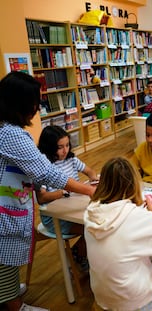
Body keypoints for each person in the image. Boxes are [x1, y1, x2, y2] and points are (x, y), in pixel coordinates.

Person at [0, 71, 95, 311]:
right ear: (21, 103)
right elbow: (47, 173)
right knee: (4, 256)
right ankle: (15, 305)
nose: (38, 107)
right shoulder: (12, 134)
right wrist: (89, 191)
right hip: (6, 211)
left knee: (6, 260)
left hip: (11, 203)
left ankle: (9, 291)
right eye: (35, 101)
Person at [84, 157, 152, 311]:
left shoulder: (91, 212)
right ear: (134, 184)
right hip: (134, 302)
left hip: (102, 299)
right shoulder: (136, 216)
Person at [35, 125, 98, 268]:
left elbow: (90, 171)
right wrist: (61, 193)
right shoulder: (44, 166)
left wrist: (94, 179)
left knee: (97, 226)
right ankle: (77, 257)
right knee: (92, 230)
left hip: (72, 208)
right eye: (60, 147)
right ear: (49, 147)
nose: (65, 150)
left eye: (67, 145)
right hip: (54, 217)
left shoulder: (71, 159)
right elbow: (42, 198)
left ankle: (77, 254)